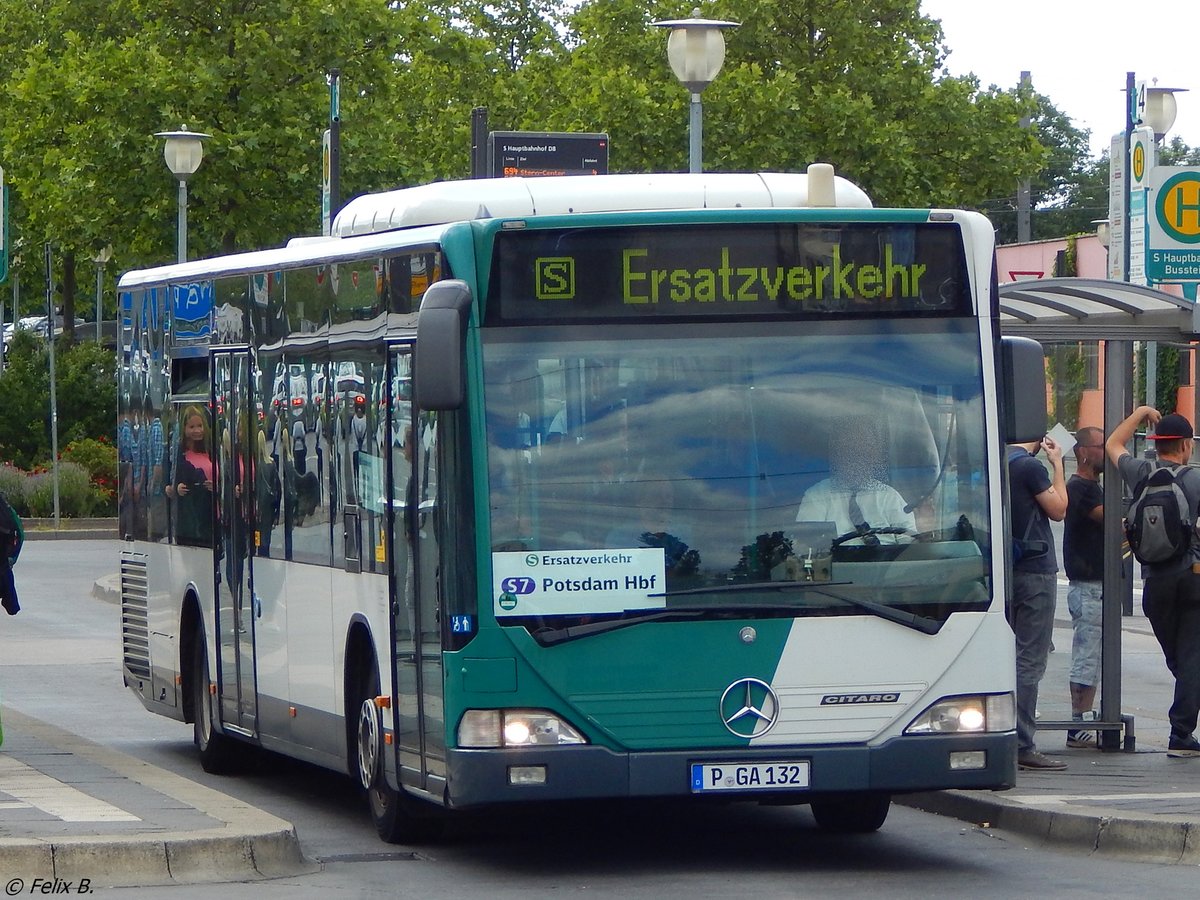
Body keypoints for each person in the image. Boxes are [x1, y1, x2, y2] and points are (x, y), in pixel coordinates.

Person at [1105, 408, 1200, 758]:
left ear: (1157, 445)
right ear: (1186, 445)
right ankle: (1181, 733)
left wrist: (1141, 412)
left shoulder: (1140, 473)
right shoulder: (1193, 480)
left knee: (1181, 657)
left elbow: (1113, 443)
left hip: (1154, 584)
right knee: (1191, 657)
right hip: (1191, 579)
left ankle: (1186, 707)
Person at [1007, 433, 1067, 771]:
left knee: (1008, 656)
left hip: (1007, 571)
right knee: (1030, 660)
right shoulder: (1030, 467)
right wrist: (1057, 463)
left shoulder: (997, 463)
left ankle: (1006, 734)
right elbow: (1059, 509)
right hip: (1035, 570)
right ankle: (1022, 743)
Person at [795, 418, 915, 545]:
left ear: (874, 455)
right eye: (849, 447)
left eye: (864, 448)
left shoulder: (890, 496)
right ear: (837, 453)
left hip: (887, 563)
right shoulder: (817, 495)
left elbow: (911, 546)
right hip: (837, 564)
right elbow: (807, 547)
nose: (857, 455)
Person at [1063, 426, 1105, 749]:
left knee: (1093, 653)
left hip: (1096, 584)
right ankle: (1079, 721)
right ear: (1083, 452)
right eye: (1101, 446)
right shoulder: (1080, 488)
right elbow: (1107, 517)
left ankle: (1085, 717)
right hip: (1088, 585)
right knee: (1087, 654)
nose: (1106, 452)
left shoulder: (1093, 486)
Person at [167, 405, 214, 547]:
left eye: (200, 426)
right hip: (187, 518)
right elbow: (167, 483)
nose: (197, 431)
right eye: (192, 427)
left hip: (210, 514)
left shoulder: (211, 449)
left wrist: (216, 484)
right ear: (184, 428)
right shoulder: (178, 452)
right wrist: (176, 488)